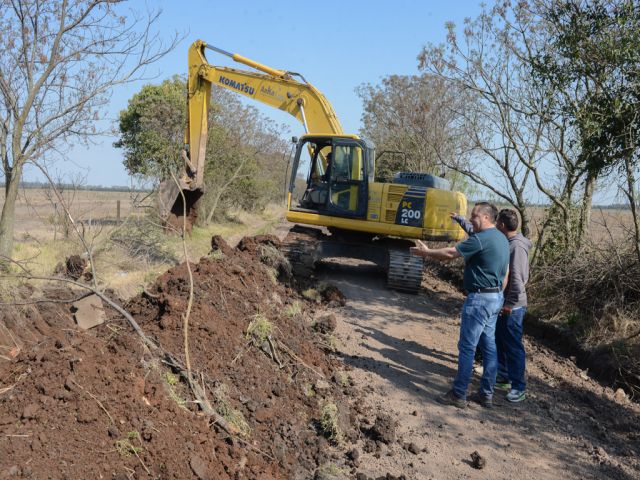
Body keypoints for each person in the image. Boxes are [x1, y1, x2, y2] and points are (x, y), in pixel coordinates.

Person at [411, 202, 509, 409]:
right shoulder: (502, 238)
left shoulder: (481, 240)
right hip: (495, 298)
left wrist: (427, 252)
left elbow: (450, 254)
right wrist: (498, 294)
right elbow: (506, 273)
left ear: (485, 218)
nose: (471, 218)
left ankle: (458, 394)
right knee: (489, 347)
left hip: (480, 300)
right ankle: (486, 394)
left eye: (474, 215)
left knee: (467, 347)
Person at [494, 209, 531, 403]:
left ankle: (518, 387)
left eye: (496, 223)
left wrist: (508, 304)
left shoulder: (515, 247)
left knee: (514, 346)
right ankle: (504, 377)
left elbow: (517, 279)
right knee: (500, 340)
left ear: (501, 225)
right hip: (506, 302)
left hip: (513, 305)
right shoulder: (510, 242)